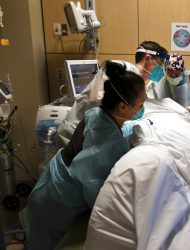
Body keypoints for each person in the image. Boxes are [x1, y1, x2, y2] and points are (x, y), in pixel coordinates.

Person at [19, 61, 146, 250]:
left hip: (49, 184)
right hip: (56, 202)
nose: (143, 106)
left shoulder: (97, 113)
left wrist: (127, 132)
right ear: (122, 107)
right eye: (141, 102)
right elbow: (96, 191)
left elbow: (102, 134)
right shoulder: (108, 143)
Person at [57, 41, 167, 145]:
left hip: (93, 137)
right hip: (73, 133)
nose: (162, 69)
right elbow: (96, 98)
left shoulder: (139, 86)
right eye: (160, 63)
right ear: (147, 59)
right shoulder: (120, 68)